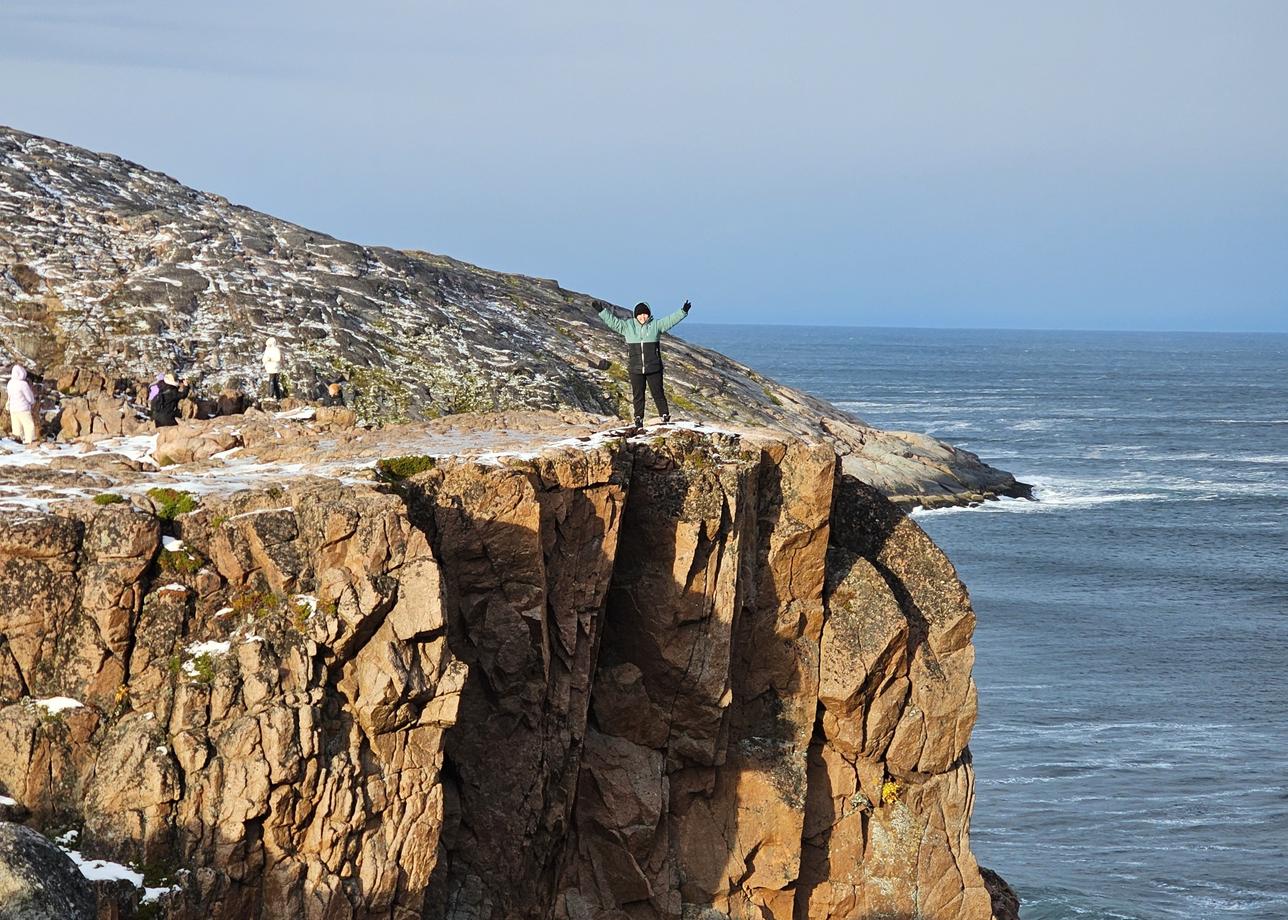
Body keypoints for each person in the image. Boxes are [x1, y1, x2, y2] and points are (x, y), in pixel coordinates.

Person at [596, 299, 691, 429]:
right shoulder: (628, 326)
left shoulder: (656, 326)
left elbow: (670, 320)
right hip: (635, 368)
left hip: (654, 367)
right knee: (638, 395)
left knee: (658, 392)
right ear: (636, 315)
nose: (643, 317)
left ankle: (664, 415)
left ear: (649, 314)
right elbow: (613, 322)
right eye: (640, 314)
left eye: (645, 314)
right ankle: (638, 418)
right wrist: (602, 311)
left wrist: (683, 311)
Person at [5, 365, 38, 444]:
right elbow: (29, 397)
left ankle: (17, 443)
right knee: (28, 425)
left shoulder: (10, 383)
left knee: (16, 427)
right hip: (23, 409)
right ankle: (29, 442)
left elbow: (9, 396)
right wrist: (33, 402)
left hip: (13, 409)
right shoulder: (23, 384)